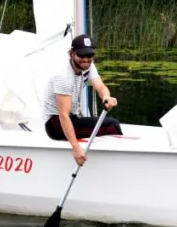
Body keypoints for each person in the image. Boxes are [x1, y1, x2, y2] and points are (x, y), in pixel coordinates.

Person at [43, 34, 122, 165]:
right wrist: (75, 147)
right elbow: (63, 115)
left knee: (110, 124)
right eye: (82, 55)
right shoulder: (63, 76)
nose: (86, 59)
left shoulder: (88, 65)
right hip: (55, 124)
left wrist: (106, 97)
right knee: (112, 126)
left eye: (89, 55)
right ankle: (110, 165)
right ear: (72, 53)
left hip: (72, 118)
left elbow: (100, 86)